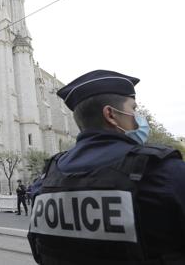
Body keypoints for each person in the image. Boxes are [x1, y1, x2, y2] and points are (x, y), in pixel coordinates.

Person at [27, 70, 185, 264]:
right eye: (133, 108)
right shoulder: (166, 172)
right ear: (110, 114)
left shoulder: (44, 183)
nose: (138, 117)